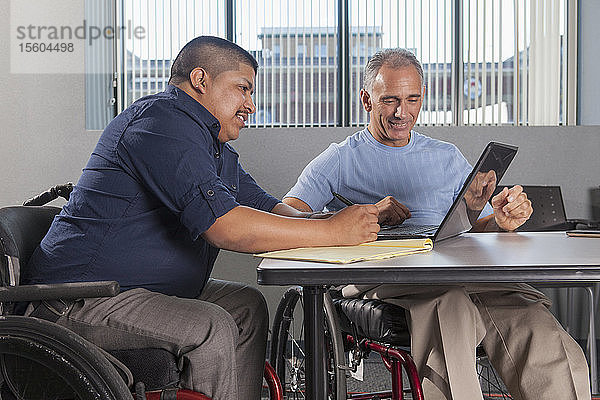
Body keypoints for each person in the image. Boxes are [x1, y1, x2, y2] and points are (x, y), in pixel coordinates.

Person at [23, 36, 380, 400]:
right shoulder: (162, 123)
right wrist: (333, 232)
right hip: (80, 301)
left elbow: (265, 206)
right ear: (200, 80)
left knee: (246, 306)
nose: (251, 106)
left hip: (134, 292)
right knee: (212, 326)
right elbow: (225, 227)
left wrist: (333, 223)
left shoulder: (210, 145)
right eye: (243, 89)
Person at [283, 48, 591, 400]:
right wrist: (364, 215)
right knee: (452, 308)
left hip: (461, 269)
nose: (402, 112)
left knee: (533, 319)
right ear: (366, 100)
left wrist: (499, 222)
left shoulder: (445, 156)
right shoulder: (339, 159)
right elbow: (288, 215)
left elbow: (468, 224)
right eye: (390, 100)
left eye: (412, 99)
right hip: (392, 276)